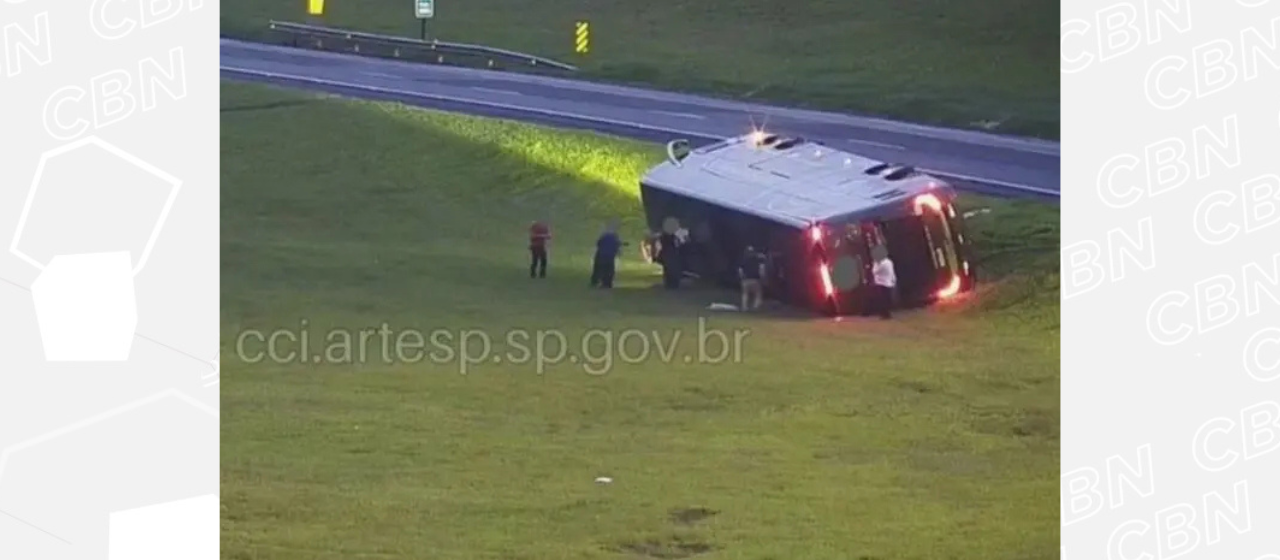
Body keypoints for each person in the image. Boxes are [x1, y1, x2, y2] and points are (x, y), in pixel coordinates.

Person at [591, 221, 627, 288]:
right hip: (609, 257)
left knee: (599, 268)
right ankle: (607, 283)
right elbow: (617, 247)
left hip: (601, 255)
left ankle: (596, 281)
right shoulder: (615, 238)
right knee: (609, 270)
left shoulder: (605, 236)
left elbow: (598, 244)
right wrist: (618, 252)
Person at [870, 246, 896, 319]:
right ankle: (887, 313)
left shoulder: (880, 263)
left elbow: (874, 271)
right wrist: (893, 279)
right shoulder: (889, 262)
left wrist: (875, 263)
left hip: (881, 283)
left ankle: (884, 314)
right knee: (887, 299)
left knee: (882, 300)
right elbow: (892, 271)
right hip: (889, 282)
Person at [738, 246, 766, 311]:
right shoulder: (757, 260)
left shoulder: (743, 260)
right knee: (758, 294)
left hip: (745, 280)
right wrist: (762, 278)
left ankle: (744, 307)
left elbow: (740, 270)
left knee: (745, 294)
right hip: (755, 279)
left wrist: (741, 277)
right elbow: (761, 269)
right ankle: (755, 307)